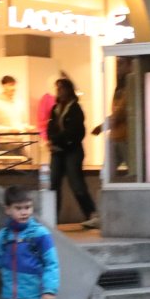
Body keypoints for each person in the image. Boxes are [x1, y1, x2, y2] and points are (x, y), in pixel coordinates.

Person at [0, 187, 60, 299]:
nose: (24, 212)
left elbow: (51, 264)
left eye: (27, 207)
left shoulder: (40, 234)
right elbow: (0, 260)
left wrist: (49, 290)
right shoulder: (4, 235)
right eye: (18, 208)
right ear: (7, 209)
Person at [47, 77, 98, 229]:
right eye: (57, 88)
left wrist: (58, 140)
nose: (59, 91)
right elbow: (51, 128)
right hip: (57, 151)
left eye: (62, 88)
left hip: (72, 151)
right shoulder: (55, 108)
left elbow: (76, 132)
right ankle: (52, 217)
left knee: (77, 184)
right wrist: (52, 141)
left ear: (69, 90)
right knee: (53, 184)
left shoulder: (75, 109)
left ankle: (91, 214)